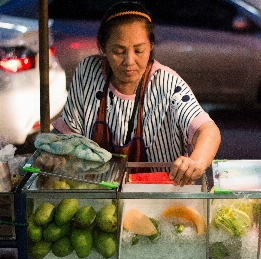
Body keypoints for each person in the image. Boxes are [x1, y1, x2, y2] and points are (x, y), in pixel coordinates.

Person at [52, 1, 221, 187]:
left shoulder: (167, 83)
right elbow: (67, 137)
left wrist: (195, 161)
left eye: (139, 50)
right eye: (118, 51)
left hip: (160, 197)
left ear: (151, 46)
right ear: (103, 47)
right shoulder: (88, 73)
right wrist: (58, 157)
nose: (129, 61)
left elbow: (206, 130)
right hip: (100, 193)